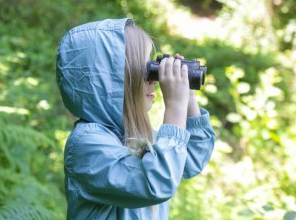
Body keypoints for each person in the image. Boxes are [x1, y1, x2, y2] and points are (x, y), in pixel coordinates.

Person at [56, 18, 215, 220]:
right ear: (109, 82)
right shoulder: (87, 145)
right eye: (144, 71)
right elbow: (156, 183)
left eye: (152, 69)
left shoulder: (138, 135)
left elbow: (191, 159)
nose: (152, 80)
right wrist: (174, 106)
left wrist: (188, 97)